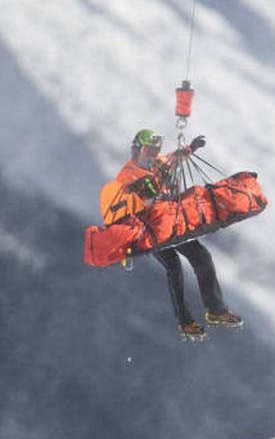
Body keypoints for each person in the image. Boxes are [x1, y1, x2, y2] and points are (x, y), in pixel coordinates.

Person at [99, 129, 243, 341]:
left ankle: (216, 310)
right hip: (148, 230)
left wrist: (191, 148)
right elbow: (125, 204)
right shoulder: (128, 175)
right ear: (137, 150)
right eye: (148, 150)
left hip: (170, 221)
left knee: (201, 256)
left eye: (155, 150)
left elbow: (174, 158)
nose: (152, 154)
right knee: (173, 266)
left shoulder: (158, 162)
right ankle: (185, 323)